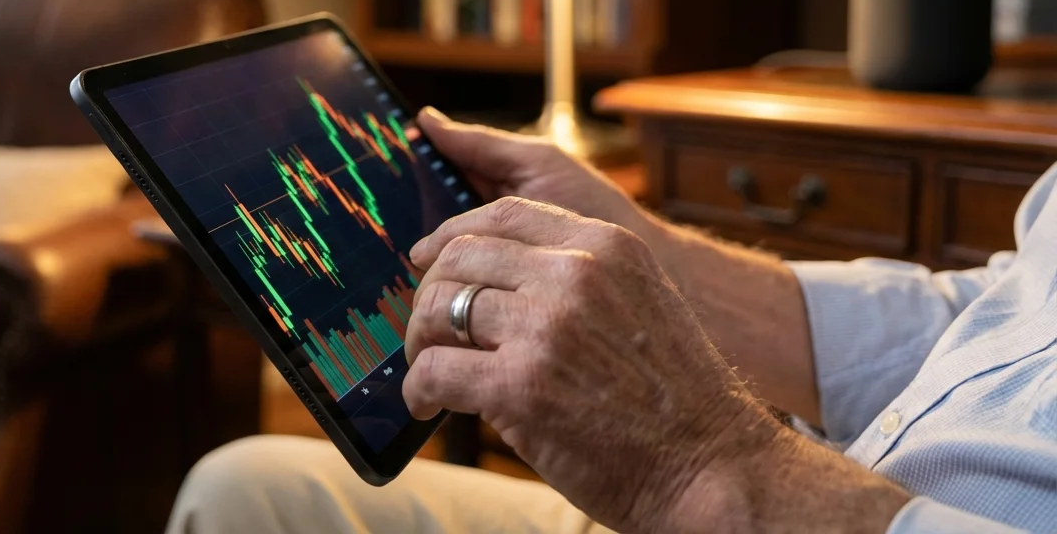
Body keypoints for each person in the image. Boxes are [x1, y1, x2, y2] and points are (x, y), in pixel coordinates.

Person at [166, 108, 1057, 533]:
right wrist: (648, 253)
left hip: (796, 512)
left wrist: (708, 467)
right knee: (251, 488)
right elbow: (990, 313)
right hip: (827, 484)